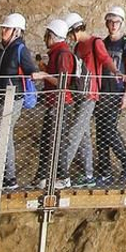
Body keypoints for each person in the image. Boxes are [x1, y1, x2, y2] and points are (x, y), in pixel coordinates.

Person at [0, 12, 36, 191]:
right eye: (4, 28)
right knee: (5, 137)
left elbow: (30, 70)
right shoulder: (0, 52)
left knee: (1, 136)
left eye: (7, 28)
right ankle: (9, 178)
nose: (3, 30)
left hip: (13, 99)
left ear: (16, 31)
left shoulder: (20, 49)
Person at [56, 18, 104, 187]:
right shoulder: (77, 47)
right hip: (79, 92)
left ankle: (61, 176)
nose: (70, 37)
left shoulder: (94, 42)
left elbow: (104, 60)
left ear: (75, 29)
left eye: (70, 33)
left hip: (90, 94)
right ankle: (88, 174)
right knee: (83, 135)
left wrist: (119, 75)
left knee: (74, 134)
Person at [95, 7, 126, 183]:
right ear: (106, 23)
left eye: (116, 22)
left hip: (117, 91)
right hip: (104, 91)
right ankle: (104, 170)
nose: (113, 25)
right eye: (110, 22)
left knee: (109, 129)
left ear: (121, 23)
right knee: (100, 132)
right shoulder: (104, 43)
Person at [34, 19, 78, 189]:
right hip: (54, 103)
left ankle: (63, 177)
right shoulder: (57, 54)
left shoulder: (63, 54)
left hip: (61, 104)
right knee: (47, 140)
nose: (45, 39)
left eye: (47, 36)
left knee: (56, 140)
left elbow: (63, 82)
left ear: (52, 37)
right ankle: (42, 176)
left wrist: (44, 75)